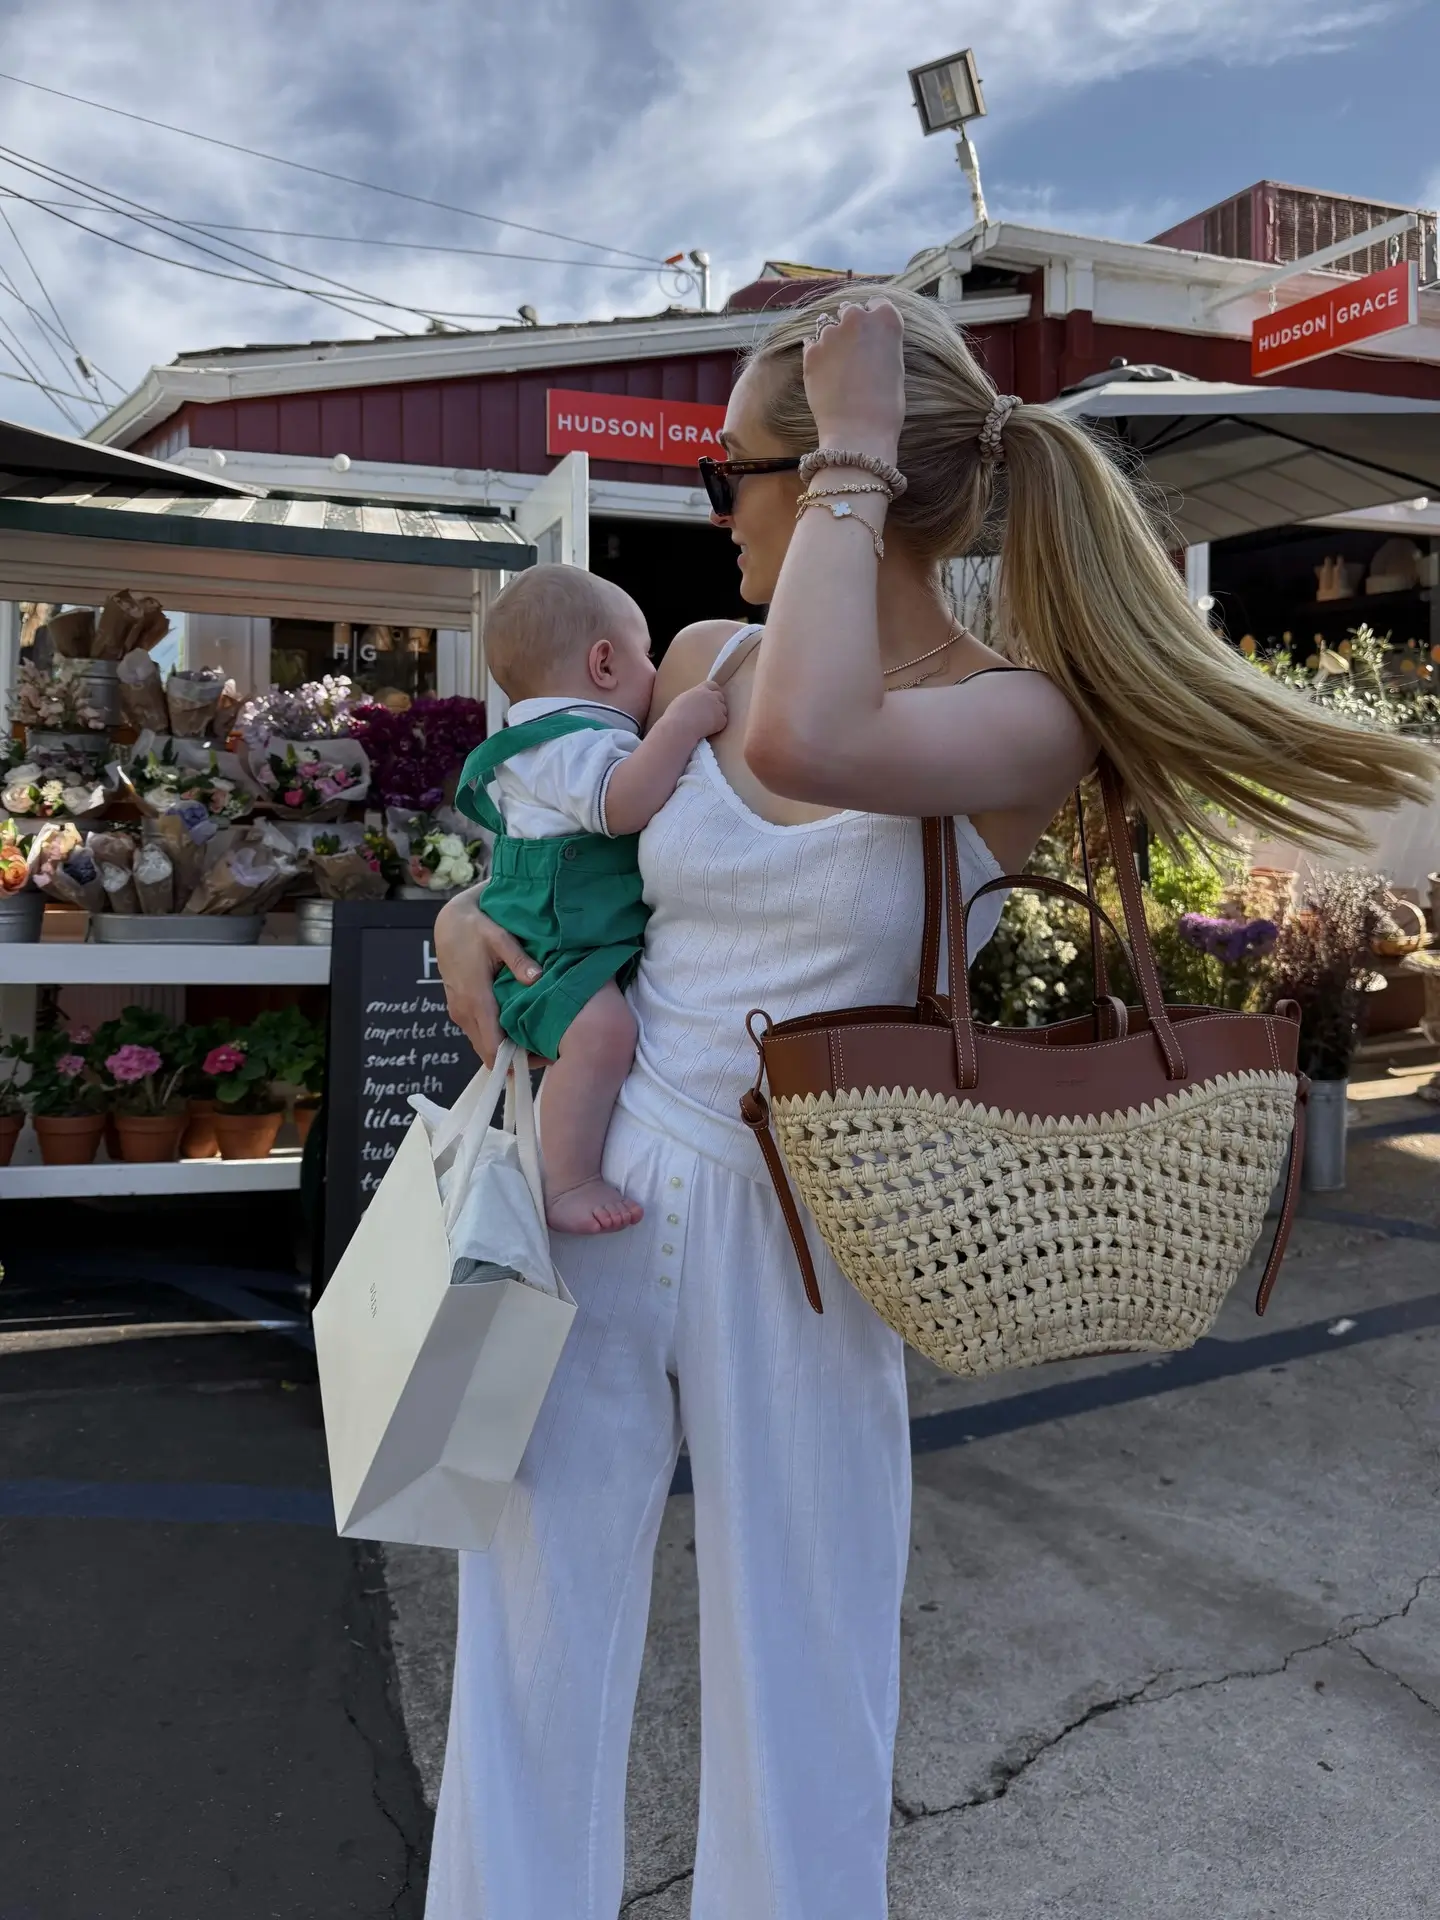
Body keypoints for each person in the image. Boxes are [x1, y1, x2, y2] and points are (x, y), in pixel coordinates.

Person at [425, 291, 1433, 1920]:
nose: (719, 518)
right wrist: (474, 916)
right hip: (594, 1171)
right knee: (525, 1623)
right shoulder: (703, 656)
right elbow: (576, 860)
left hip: (820, 1213)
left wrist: (852, 446)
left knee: (805, 1653)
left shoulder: (1022, 716)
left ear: (838, 475)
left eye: (733, 479)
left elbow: (822, 738)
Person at [453, 565, 727, 1233]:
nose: (656, 673)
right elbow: (621, 804)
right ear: (604, 663)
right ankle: (565, 1181)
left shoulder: (556, 739)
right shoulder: (566, 742)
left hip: (566, 924)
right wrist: (683, 723)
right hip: (555, 935)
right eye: (647, 654)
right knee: (602, 1034)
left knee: (603, 1032)